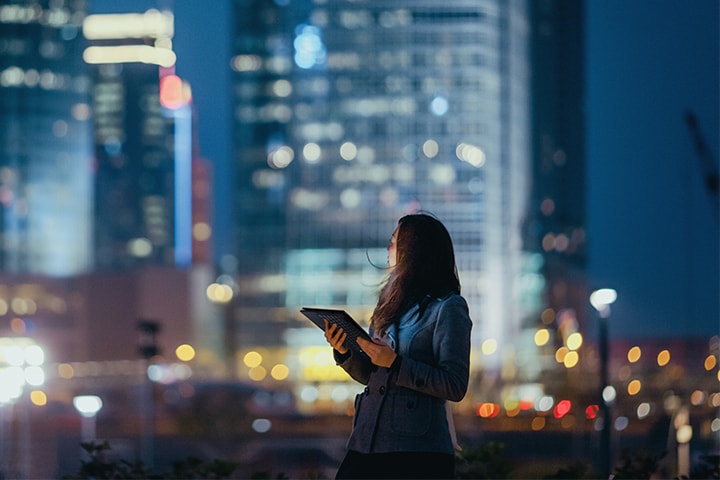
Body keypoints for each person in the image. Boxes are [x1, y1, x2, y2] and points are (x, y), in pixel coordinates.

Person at [324, 213, 472, 479]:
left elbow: (455, 384)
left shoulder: (448, 307)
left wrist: (396, 362)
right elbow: (372, 376)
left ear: (414, 250)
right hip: (367, 441)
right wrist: (345, 352)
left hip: (417, 451)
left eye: (394, 242)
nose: (388, 249)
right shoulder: (389, 304)